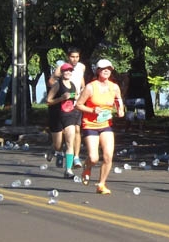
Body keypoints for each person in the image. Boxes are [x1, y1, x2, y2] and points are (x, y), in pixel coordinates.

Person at [75, 59, 124, 194]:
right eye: (103, 68)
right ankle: (87, 165)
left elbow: (118, 100)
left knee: (108, 156)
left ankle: (101, 184)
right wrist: (92, 110)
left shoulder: (114, 87)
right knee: (94, 157)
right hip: (90, 125)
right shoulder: (91, 87)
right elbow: (78, 105)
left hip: (106, 125)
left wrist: (120, 110)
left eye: (109, 68)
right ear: (97, 71)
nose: (106, 70)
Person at [45, 47, 86, 167]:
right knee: (61, 136)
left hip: (76, 103)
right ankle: (55, 148)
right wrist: (62, 90)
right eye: (72, 57)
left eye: (77, 57)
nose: (75, 59)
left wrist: (81, 92)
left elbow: (81, 81)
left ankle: (76, 158)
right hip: (62, 104)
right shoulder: (61, 68)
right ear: (68, 57)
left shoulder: (81, 67)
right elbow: (51, 82)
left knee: (77, 130)